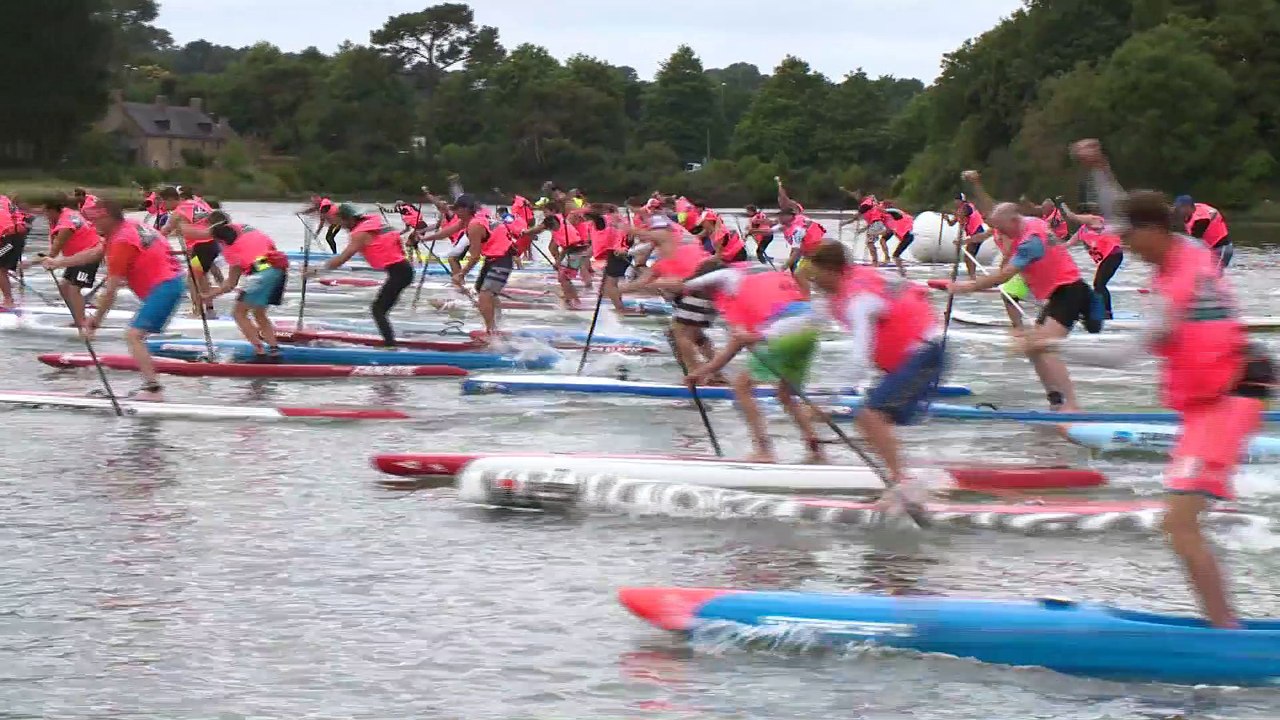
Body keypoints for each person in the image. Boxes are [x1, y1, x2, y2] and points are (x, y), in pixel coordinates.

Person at [1046, 138, 1274, 629]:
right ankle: (1224, 629)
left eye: (1129, 237)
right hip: (1208, 403)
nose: (1123, 245)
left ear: (1152, 231)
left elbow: (1126, 354)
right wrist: (1101, 168)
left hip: (1233, 395)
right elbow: (1122, 212)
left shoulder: (1180, 281)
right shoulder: (1181, 243)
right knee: (1179, 522)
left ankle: (1226, 638)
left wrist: (1049, 346)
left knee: (1178, 522)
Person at [947, 170, 1100, 412]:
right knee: (1032, 347)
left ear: (1014, 221)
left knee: (1043, 346)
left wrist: (966, 287)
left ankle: (1072, 406)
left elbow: (1006, 275)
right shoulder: (1023, 222)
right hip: (1058, 294)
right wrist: (977, 185)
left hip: (1070, 291)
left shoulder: (1032, 240)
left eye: (1001, 229)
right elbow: (996, 210)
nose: (1000, 234)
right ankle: (1055, 401)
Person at [809, 242, 946, 493]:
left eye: (815, 274)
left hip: (924, 352)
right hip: (917, 353)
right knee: (870, 420)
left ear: (830, 270)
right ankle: (904, 475)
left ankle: (901, 485)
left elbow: (860, 358)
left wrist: (827, 400)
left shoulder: (858, 300)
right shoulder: (851, 284)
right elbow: (811, 318)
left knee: (870, 417)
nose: (813, 282)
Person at [682, 262, 826, 464]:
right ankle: (814, 446)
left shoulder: (730, 296)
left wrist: (701, 372)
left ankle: (763, 450)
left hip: (785, 333)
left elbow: (735, 345)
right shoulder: (757, 277)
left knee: (742, 386)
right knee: (785, 394)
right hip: (810, 331)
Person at [42, 201, 185, 400]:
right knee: (136, 335)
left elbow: (111, 289)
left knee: (133, 335)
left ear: (108, 217)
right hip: (170, 282)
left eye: (95, 220)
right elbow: (96, 252)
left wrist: (94, 323)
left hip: (165, 287)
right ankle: (152, 385)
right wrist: (59, 262)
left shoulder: (121, 240)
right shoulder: (128, 226)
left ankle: (154, 390)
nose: (92, 225)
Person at [621, 215, 719, 378]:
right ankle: (715, 372)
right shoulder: (662, 261)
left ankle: (696, 375)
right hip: (702, 294)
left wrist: (626, 228)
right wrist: (617, 290)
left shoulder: (676, 240)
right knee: (696, 336)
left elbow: (654, 236)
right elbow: (640, 283)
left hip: (701, 292)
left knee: (679, 333)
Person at [311, 204, 412, 347]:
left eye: (341, 221)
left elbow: (342, 259)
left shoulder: (360, 233)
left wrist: (315, 271)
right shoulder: (371, 224)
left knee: (378, 310)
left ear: (348, 220)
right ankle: (390, 342)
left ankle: (390, 346)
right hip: (402, 271)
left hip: (399, 272)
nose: (341, 226)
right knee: (380, 309)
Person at [200, 212, 288, 359]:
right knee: (259, 313)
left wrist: (207, 296)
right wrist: (209, 295)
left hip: (260, 272)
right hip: (279, 269)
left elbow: (230, 284)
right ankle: (274, 349)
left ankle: (260, 352)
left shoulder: (229, 248)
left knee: (238, 313)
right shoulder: (245, 228)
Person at [451, 194, 515, 339]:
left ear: (466, 209)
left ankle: (492, 331)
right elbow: (448, 231)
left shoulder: (475, 224)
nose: (455, 213)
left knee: (485, 295)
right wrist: (425, 237)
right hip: (492, 259)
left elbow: (475, 256)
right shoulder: (475, 218)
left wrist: (461, 274)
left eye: (458, 209)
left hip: (501, 259)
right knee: (483, 293)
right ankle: (496, 325)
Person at [41, 195, 103, 328]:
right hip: (75, 257)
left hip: (90, 254)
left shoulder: (66, 225)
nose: (44, 215)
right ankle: (79, 318)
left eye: (46, 211)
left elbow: (53, 253)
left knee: (74, 289)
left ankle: (81, 322)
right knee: (63, 287)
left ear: (53, 210)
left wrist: (29, 263)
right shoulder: (63, 214)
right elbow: (53, 247)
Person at [159, 186, 218, 316]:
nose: (162, 205)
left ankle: (198, 311)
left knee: (192, 279)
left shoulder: (178, 212)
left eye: (163, 202)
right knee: (201, 277)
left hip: (201, 247)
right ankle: (209, 309)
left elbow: (165, 231)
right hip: (213, 245)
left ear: (170, 199)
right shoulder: (198, 203)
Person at [1062, 202, 1124, 319]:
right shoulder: (1082, 231)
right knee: (1099, 284)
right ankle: (1103, 311)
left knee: (1099, 284)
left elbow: (1072, 216)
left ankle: (1106, 313)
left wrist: (1063, 205)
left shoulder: (1095, 220)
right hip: (1107, 258)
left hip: (1113, 254)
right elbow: (1068, 244)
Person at [777, 207, 826, 297]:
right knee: (799, 273)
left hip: (817, 253)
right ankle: (805, 294)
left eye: (781, 216)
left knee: (801, 273)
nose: (779, 219)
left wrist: (785, 265)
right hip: (809, 253)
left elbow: (796, 251)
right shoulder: (793, 226)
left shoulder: (797, 229)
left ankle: (807, 296)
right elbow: (796, 249)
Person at [1174, 196, 1232, 272]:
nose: (1178, 210)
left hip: (1222, 248)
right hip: (1211, 249)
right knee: (1203, 273)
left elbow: (1194, 240)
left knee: (1214, 274)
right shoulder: (1195, 207)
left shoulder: (1200, 220)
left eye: (1179, 207)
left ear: (1187, 207)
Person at [948, 193, 992, 280]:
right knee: (968, 256)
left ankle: (972, 277)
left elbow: (963, 215)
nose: (955, 202)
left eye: (957, 200)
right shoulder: (960, 210)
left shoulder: (967, 207)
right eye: (955, 200)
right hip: (973, 234)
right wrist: (947, 219)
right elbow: (952, 223)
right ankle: (971, 276)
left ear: (961, 201)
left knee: (969, 255)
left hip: (978, 232)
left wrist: (957, 215)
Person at [0, 194, 27, 307]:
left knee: (1, 269)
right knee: (2, 269)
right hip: (17, 236)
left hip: (9, 238)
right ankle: (8, 298)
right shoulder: (3, 198)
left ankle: (8, 301)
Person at [880, 201, 916, 278]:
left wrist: (876, 205)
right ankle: (902, 272)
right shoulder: (896, 220)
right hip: (908, 237)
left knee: (895, 256)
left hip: (908, 237)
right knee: (896, 255)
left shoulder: (897, 213)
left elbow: (887, 211)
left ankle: (903, 273)